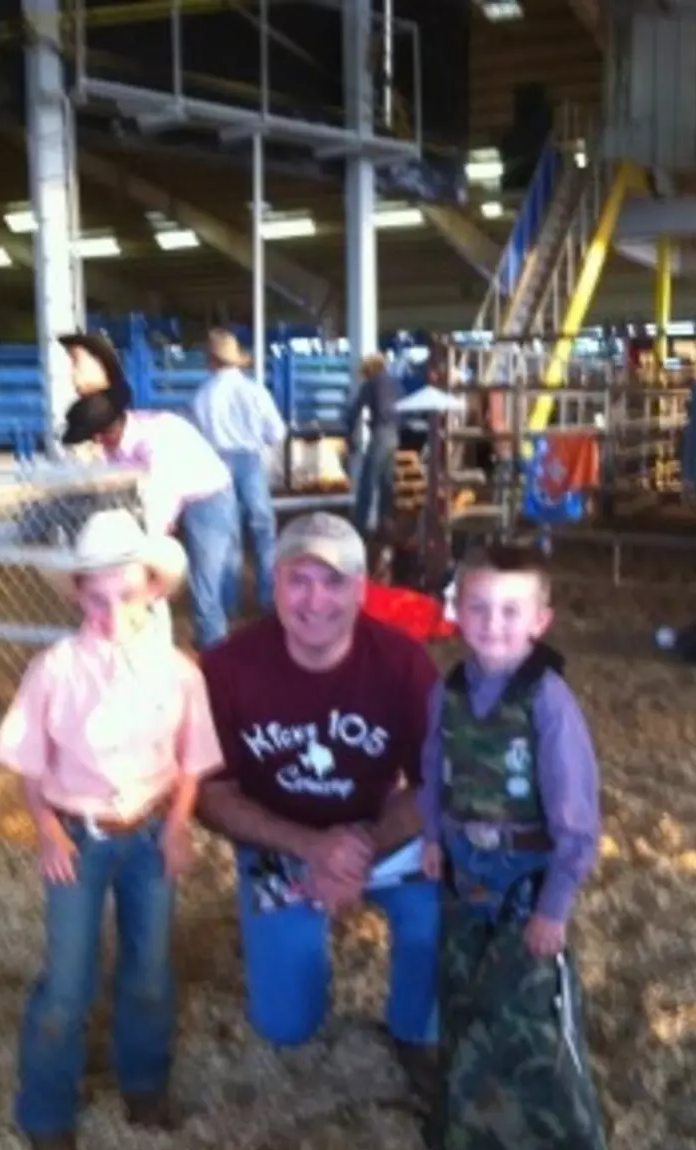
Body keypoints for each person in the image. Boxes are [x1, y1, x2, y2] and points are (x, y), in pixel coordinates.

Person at [0, 509, 224, 1150]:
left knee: (149, 968)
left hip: (150, 831)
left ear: (153, 588)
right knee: (67, 980)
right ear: (78, 594)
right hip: (80, 834)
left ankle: (144, 1083)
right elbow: (33, 762)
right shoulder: (54, 669)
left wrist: (179, 822)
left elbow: (192, 759)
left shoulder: (180, 671)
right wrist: (46, 827)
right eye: (96, 597)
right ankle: (46, 1112)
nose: (110, 611)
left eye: (126, 594)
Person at [197, 511, 440, 1090]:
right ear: (273, 584)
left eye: (333, 582)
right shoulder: (228, 668)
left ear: (361, 590)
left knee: (435, 918)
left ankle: (413, 1029)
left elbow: (438, 782)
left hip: (379, 837)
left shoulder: (404, 662)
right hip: (281, 841)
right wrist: (311, 847)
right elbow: (210, 795)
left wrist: (360, 848)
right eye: (298, 580)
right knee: (286, 1027)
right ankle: (286, 953)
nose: (314, 600)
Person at [420, 541, 600, 954]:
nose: (492, 623)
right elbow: (433, 769)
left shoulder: (547, 701)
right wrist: (432, 836)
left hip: (526, 874)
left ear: (540, 621)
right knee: (461, 983)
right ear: (457, 612)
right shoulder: (446, 693)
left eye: (510, 611)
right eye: (478, 607)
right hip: (460, 867)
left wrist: (553, 906)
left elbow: (574, 809)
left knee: (522, 996)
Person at [62, 388, 239, 650]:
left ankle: (215, 649)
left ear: (101, 434)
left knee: (205, 583)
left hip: (208, 494)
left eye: (94, 437)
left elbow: (162, 493)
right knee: (210, 577)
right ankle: (218, 632)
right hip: (192, 491)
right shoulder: (128, 435)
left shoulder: (155, 439)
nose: (94, 443)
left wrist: (145, 546)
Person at [193, 328, 286, 615]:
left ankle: (229, 601)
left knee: (226, 532)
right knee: (263, 529)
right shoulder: (254, 390)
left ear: (211, 360)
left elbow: (197, 435)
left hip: (216, 461)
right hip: (249, 459)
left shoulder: (202, 395)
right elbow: (277, 432)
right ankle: (268, 597)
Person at [344, 353, 401, 537]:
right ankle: (386, 523)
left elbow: (355, 411)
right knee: (387, 482)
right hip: (395, 435)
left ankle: (359, 528)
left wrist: (349, 434)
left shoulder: (371, 383)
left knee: (368, 481)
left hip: (381, 435)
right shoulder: (394, 383)